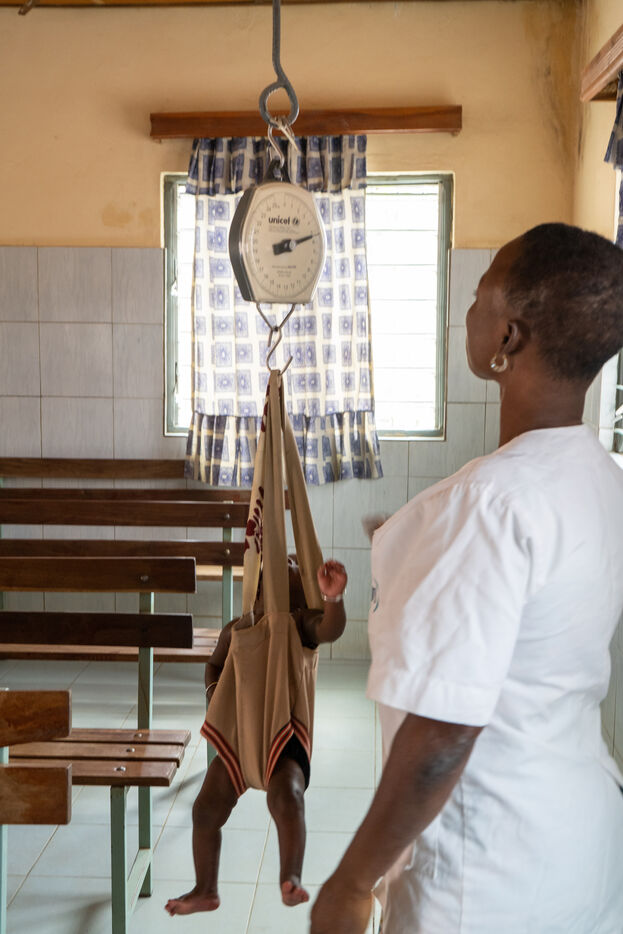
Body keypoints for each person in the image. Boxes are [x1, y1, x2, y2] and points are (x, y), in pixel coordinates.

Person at [310, 223, 623, 934]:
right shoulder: (596, 475)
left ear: (508, 336)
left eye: (481, 293)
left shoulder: (486, 503)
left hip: (486, 876)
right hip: (581, 845)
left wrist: (351, 883)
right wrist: (427, 546)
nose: (469, 309)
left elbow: (442, 733)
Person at [165, 556, 347, 917]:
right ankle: (205, 888)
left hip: (285, 738)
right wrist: (214, 695)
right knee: (205, 810)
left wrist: (333, 598)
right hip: (240, 741)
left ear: (301, 598)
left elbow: (331, 629)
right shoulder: (238, 628)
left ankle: (290, 876)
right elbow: (214, 664)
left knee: (288, 798)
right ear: (256, 592)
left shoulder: (301, 625)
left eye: (293, 569)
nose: (285, 562)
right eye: (268, 583)